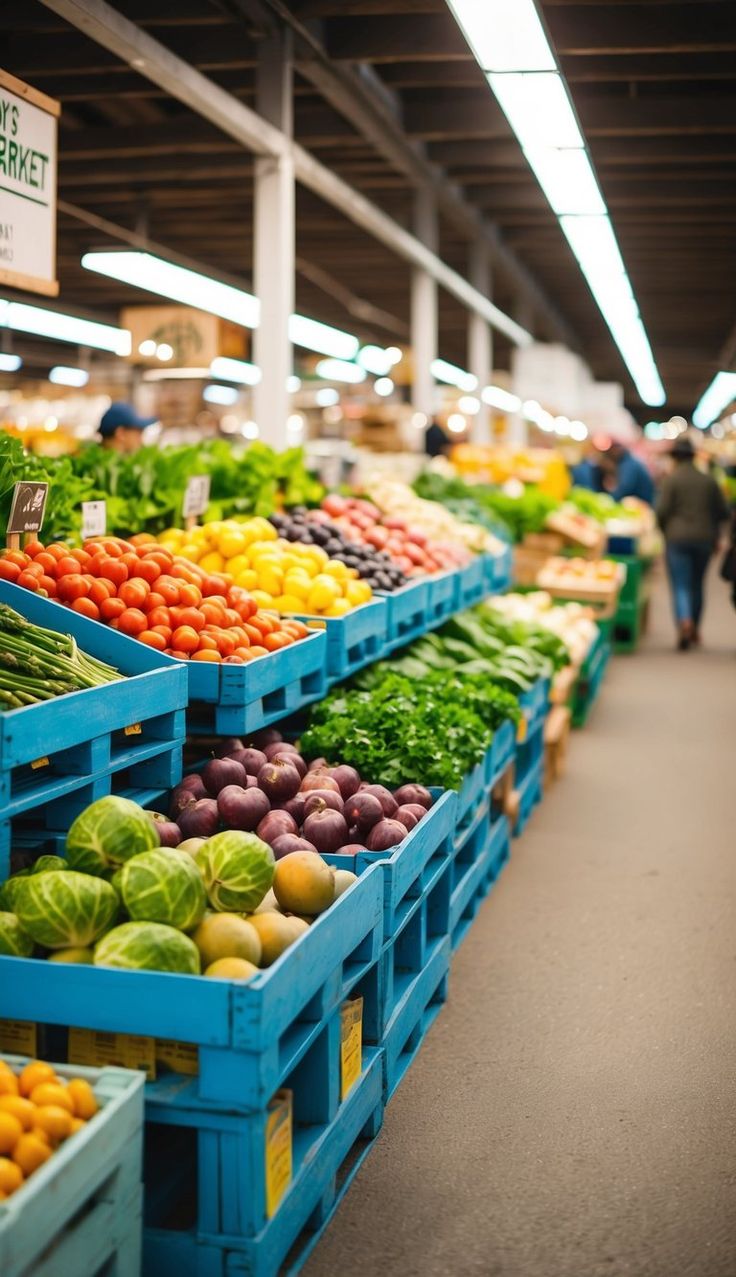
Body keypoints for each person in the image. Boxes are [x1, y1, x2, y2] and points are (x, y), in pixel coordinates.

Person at [656, 435, 730, 649]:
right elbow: (722, 512)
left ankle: (684, 620)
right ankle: (695, 627)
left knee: (680, 584)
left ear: (675, 457)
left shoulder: (672, 480)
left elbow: (661, 511)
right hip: (704, 539)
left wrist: (665, 531)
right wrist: (716, 536)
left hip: (676, 538)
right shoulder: (709, 481)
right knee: (697, 584)